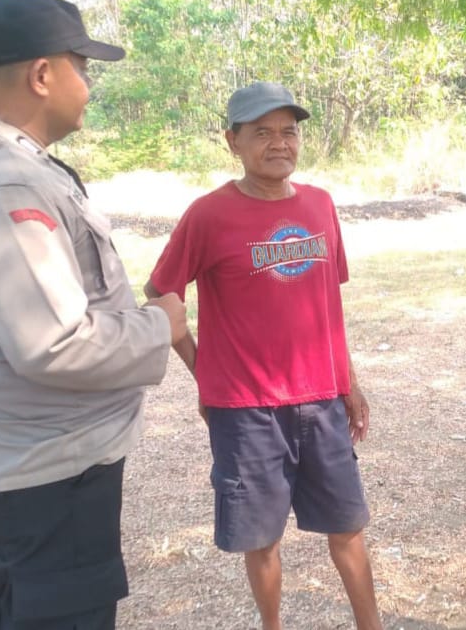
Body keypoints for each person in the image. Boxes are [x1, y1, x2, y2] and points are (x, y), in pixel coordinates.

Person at [0, 0, 188, 630]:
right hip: (51, 460)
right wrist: (159, 326)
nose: (87, 85)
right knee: (65, 613)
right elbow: (53, 344)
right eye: (81, 67)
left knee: (20, 604)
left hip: (19, 447)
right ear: (41, 75)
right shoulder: (5, 180)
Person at [144, 81, 382, 630]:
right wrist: (205, 372)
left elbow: (328, 305)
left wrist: (348, 381)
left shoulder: (320, 205)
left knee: (348, 526)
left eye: (288, 132)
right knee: (263, 537)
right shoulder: (208, 215)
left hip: (322, 401)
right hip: (246, 410)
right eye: (262, 133)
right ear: (233, 141)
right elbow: (161, 295)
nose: (279, 144)